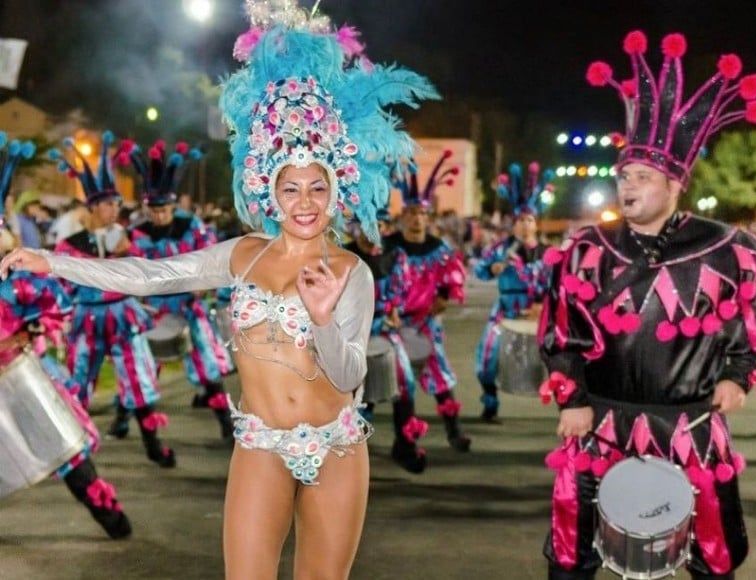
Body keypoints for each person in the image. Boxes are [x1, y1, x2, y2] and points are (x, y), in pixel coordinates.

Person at [1, 4, 437, 577]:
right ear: (268, 191)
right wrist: (51, 261)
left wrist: (324, 318)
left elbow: (351, 375)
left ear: (335, 192)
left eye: (316, 187)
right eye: (290, 188)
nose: (304, 201)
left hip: (335, 447)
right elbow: (151, 275)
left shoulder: (350, 271)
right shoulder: (241, 254)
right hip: (260, 444)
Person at [540, 31, 756, 579]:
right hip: (598, 420)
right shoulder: (587, 250)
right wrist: (571, 397)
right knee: (572, 552)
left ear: (675, 183)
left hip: (691, 424)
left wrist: (739, 375)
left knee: (712, 554)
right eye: (623, 175)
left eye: (642, 178)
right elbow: (560, 333)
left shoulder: (728, 249)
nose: (627, 186)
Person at [0, 133, 131, 539]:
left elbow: (55, 303)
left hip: (20, 374)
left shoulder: (15, 278)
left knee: (66, 453)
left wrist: (29, 332)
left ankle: (107, 512)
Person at [47, 131, 177, 468]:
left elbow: (143, 275)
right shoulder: (69, 244)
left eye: (118, 204)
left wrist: (127, 255)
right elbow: (60, 286)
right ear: (92, 206)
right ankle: (70, 451)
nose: (115, 209)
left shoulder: (127, 239)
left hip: (122, 315)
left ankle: (153, 446)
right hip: (86, 320)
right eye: (109, 204)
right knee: (79, 383)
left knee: (138, 382)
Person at [121, 139, 235, 441]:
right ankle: (126, 420)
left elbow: (211, 258)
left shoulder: (192, 225)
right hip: (157, 309)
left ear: (172, 206)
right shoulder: (138, 234)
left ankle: (226, 421)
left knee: (207, 367)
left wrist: (201, 283)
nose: (158, 216)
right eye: (153, 210)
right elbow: (136, 269)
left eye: (163, 209)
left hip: (188, 305)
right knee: (143, 368)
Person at [385, 152, 472, 452]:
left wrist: (444, 298)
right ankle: (402, 439)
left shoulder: (439, 248)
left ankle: (454, 431)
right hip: (392, 324)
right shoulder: (390, 246)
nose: (416, 218)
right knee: (395, 382)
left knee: (440, 375)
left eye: (421, 214)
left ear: (428, 217)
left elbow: (453, 277)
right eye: (411, 213)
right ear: (403, 216)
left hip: (426, 323)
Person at [346, 209, 429, 473]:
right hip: (351, 334)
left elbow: (400, 293)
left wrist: (394, 310)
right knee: (352, 395)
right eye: (367, 223)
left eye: (379, 223)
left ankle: (405, 446)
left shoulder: (395, 255)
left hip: (384, 330)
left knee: (405, 387)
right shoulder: (342, 255)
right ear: (356, 227)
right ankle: (348, 454)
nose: (374, 229)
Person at [475, 162, 552, 422]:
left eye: (529, 219)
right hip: (506, 308)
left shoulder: (548, 252)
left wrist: (543, 306)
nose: (524, 224)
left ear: (536, 223)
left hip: (539, 311)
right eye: (520, 220)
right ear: (513, 222)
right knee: (487, 358)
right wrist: (492, 269)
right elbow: (479, 271)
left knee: (560, 361)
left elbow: (557, 283)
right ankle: (490, 401)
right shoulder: (501, 248)